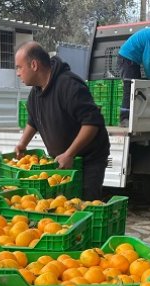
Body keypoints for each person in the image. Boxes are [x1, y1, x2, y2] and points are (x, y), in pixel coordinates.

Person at [14, 42, 110, 201]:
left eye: (19, 67)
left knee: (85, 204)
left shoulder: (69, 85)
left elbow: (92, 123)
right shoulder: (35, 94)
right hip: (62, 161)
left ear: (34, 65)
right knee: (63, 205)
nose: (17, 73)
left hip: (88, 161)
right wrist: (22, 144)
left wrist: (69, 153)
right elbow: (33, 120)